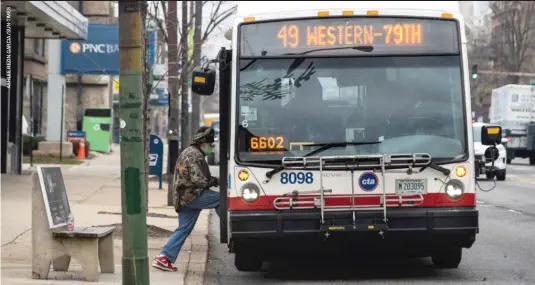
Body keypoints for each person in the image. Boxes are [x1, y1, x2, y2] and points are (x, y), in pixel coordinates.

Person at [152, 126, 220, 271]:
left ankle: (164, 258)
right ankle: (229, 229)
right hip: (192, 196)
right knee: (222, 199)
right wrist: (214, 181)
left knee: (183, 229)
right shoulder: (195, 155)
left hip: (183, 198)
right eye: (210, 145)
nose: (211, 148)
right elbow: (198, 180)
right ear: (202, 144)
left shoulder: (190, 152)